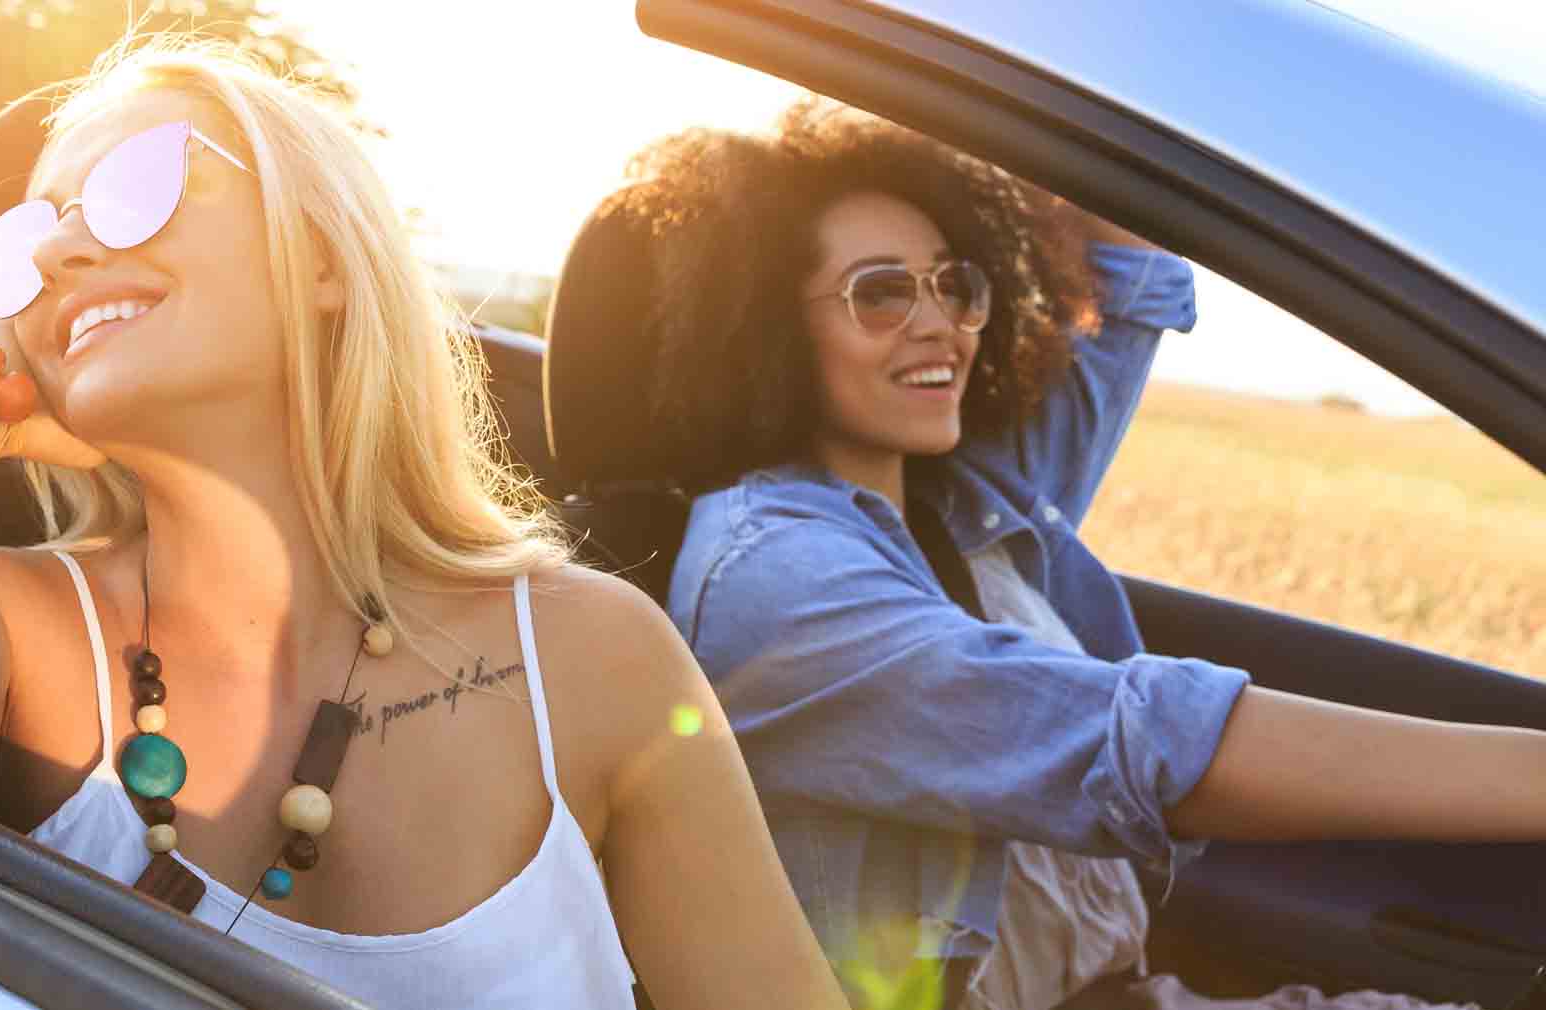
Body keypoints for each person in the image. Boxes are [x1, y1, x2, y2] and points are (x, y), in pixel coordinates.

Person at [0, 38, 847, 1010]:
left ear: (322, 255)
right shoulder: (23, 633)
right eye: (25, 242)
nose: (64, 245)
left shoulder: (596, 656)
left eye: (133, 188)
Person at [612, 104, 1546, 1010]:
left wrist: (1015, 119)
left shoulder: (967, 498)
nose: (941, 323)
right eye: (883, 291)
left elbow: (1130, 283)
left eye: (956, 282)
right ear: (767, 324)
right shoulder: (775, 580)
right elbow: (1137, 739)